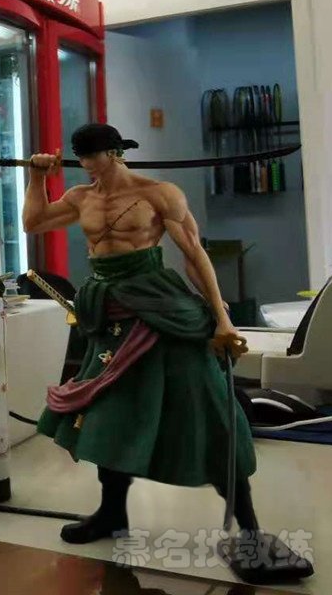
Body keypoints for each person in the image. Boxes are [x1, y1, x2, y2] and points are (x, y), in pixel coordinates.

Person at [23, 122, 256, 545]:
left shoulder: (159, 194)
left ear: (114, 152)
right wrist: (37, 177)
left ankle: (251, 527)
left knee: (207, 408)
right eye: (81, 156)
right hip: (109, 314)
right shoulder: (81, 197)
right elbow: (33, 222)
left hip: (160, 307)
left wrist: (221, 316)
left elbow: (193, 254)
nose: (87, 164)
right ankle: (112, 513)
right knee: (107, 416)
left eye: (93, 155)